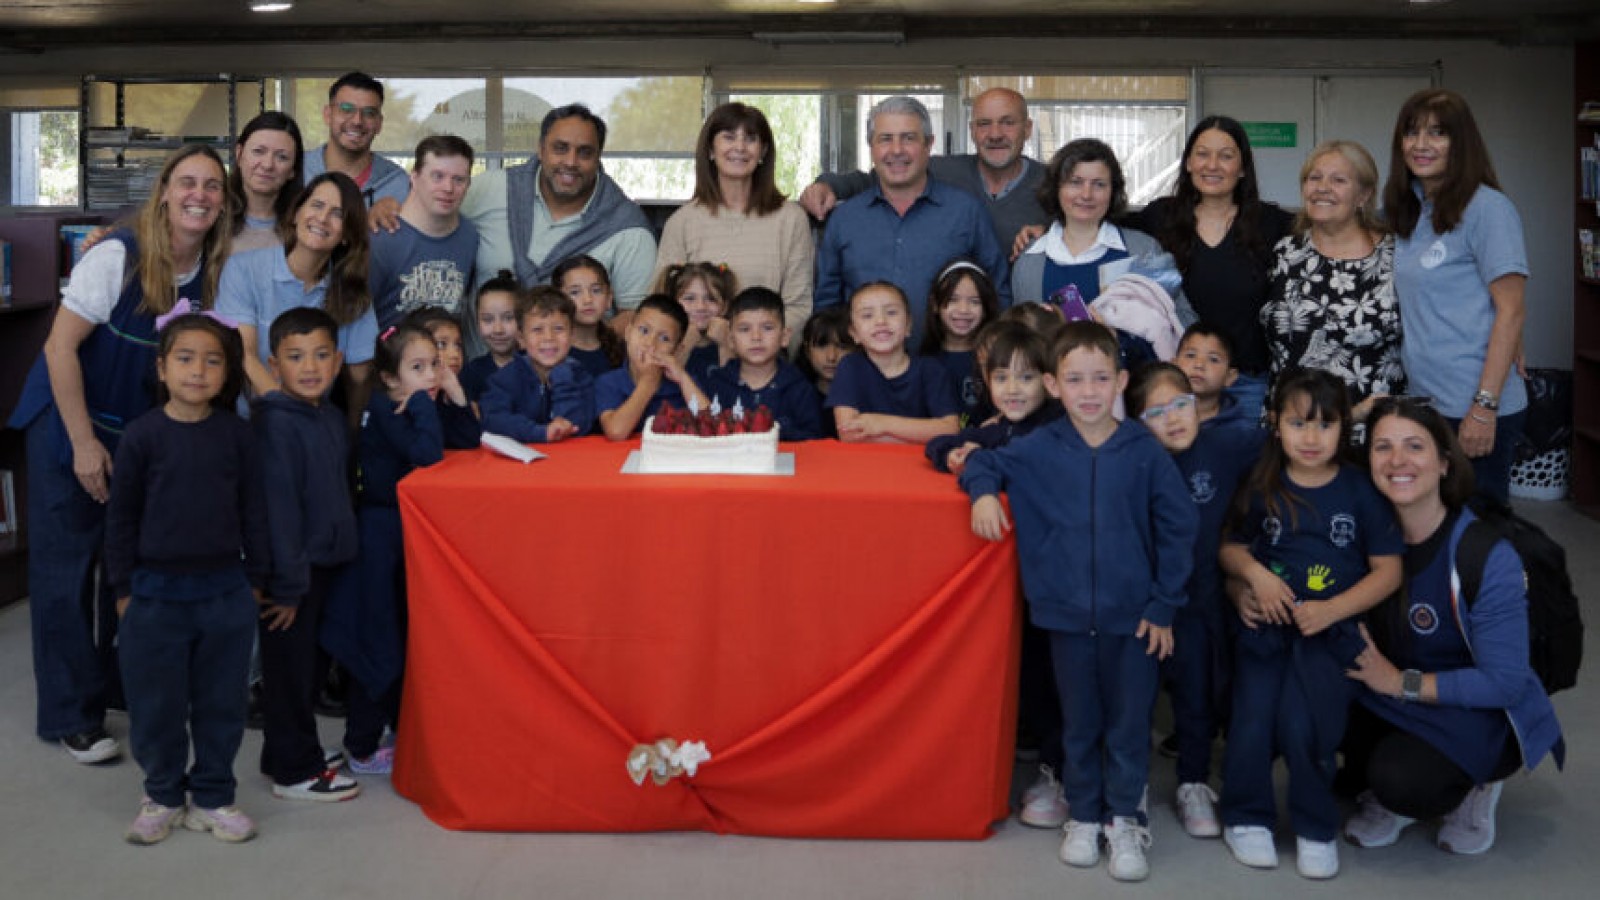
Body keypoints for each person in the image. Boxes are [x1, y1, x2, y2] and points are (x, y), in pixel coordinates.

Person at [8, 144, 232, 765]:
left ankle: (117, 686)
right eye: (188, 183)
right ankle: (70, 714)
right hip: (68, 421)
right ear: (164, 190)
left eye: (212, 187)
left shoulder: (211, 265)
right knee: (66, 572)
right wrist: (82, 445)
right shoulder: (116, 254)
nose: (200, 195)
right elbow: (59, 351)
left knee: (125, 562)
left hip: (133, 435)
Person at [961, 321, 1197, 883]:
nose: (1088, 391)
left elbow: (1179, 528)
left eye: (1099, 378)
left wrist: (1164, 603)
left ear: (1119, 381)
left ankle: (1125, 818)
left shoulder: (1143, 450)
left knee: (1128, 722)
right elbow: (980, 460)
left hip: (1135, 621)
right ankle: (1085, 815)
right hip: (1065, 618)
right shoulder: (1038, 447)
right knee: (1080, 722)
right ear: (1053, 384)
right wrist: (982, 493)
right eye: (1074, 380)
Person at [1343, 397, 1566, 855]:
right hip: (1392, 691)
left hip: (1478, 706)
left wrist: (1397, 682)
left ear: (1445, 462)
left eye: (1414, 447)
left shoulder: (1485, 554)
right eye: (1382, 447)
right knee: (1312, 724)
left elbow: (1504, 684)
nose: (1397, 461)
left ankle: (1478, 784)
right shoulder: (1364, 534)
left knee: (1398, 781)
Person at [1217, 368, 1403, 879]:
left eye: (1325, 425)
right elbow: (1230, 547)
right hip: (1264, 628)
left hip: (1332, 633)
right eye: (1299, 424)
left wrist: (1333, 610)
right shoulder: (1262, 480)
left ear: (1345, 428)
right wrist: (1253, 577)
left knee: (1308, 725)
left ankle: (1314, 825)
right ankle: (1246, 816)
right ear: (1276, 424)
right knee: (1253, 718)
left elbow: (1389, 570)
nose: (1312, 437)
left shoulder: (1362, 490)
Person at [106, 313, 268, 844]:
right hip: (153, 595)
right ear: (161, 367)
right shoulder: (140, 437)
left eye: (213, 360)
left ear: (227, 373)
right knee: (156, 705)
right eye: (185, 358)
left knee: (222, 703)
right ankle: (163, 794)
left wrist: (255, 579)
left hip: (224, 592)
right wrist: (124, 589)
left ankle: (215, 796)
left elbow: (255, 512)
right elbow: (121, 518)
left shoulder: (238, 437)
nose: (198, 371)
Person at [1125, 357, 1264, 840]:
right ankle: (1129, 786)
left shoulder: (1225, 444)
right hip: (1144, 608)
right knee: (1135, 699)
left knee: (1196, 697)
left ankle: (1193, 783)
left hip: (1201, 604)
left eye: (1181, 403)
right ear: (1137, 423)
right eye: (1157, 412)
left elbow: (1290, 439)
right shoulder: (1134, 462)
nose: (1175, 417)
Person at [1382, 89, 1529, 504]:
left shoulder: (1488, 209)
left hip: (1475, 405)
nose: (1421, 144)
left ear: (1461, 144)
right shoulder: (1409, 211)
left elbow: (1512, 308)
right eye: (1411, 133)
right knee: (1432, 526)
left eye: (1438, 133)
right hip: (1426, 401)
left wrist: (1484, 407)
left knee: (1476, 536)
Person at [322, 324, 446, 776]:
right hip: (377, 543)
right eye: (418, 368)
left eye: (436, 365)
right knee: (376, 642)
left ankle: (391, 730)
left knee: (397, 636)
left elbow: (466, 437)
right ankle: (361, 744)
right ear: (390, 378)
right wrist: (422, 405)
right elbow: (430, 453)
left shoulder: (397, 404)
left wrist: (442, 392)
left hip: (391, 538)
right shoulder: (390, 410)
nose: (431, 376)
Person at [252, 307, 361, 804]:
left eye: (320, 355)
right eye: (296, 357)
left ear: (338, 361)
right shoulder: (274, 425)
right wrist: (287, 586)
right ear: (274, 366)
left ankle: (284, 751)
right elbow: (279, 512)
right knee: (290, 677)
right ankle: (295, 771)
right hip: (291, 578)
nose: (310, 367)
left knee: (310, 670)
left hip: (325, 567)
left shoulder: (331, 417)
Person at [812, 95, 1012, 347]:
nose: (896, 150)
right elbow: (827, 306)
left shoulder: (965, 213)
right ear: (871, 147)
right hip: (863, 374)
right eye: (885, 139)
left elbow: (998, 294)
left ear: (929, 144)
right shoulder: (845, 219)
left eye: (908, 138)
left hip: (948, 375)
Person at [1135, 117, 1293, 423]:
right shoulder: (1160, 217)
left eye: (1226, 156)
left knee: (1245, 469)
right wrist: (1042, 230)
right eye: (1203, 154)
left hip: (1248, 384)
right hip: (1176, 385)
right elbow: (1097, 227)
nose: (1213, 165)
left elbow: (1332, 233)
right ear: (1189, 163)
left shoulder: (1273, 224)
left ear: (1243, 167)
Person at [803, 87, 1050, 252]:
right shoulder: (939, 170)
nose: (995, 134)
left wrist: (1052, 235)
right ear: (972, 130)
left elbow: (1084, 230)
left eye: (1007, 123)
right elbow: (872, 180)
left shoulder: (1053, 183)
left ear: (1027, 129)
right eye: (984, 124)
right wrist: (827, 186)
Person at [461, 104, 656, 310]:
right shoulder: (491, 189)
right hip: (479, 343)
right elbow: (431, 223)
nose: (571, 162)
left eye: (585, 153)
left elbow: (633, 319)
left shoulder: (629, 230)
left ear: (598, 157)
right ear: (541, 149)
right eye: (560, 148)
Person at [1262, 140, 1403, 416]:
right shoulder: (1284, 252)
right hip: (1294, 429)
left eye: (1338, 180)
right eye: (1314, 178)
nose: (1322, 187)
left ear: (1363, 195)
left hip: (1375, 431)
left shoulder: (1395, 256)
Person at [655, 102, 814, 339]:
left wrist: (749, 346)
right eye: (729, 137)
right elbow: (664, 306)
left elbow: (798, 306)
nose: (740, 147)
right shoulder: (681, 223)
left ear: (763, 152)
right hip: (696, 360)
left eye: (750, 139)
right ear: (710, 149)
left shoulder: (791, 219)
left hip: (766, 361)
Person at [218, 172, 378, 406]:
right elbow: (245, 356)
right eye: (317, 205)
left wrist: (352, 435)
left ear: (346, 235)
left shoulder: (351, 291)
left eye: (337, 214)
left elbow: (360, 377)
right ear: (295, 214)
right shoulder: (243, 269)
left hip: (316, 424)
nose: (323, 218)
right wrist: (292, 415)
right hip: (250, 423)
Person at [1012, 138, 1168, 311]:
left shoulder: (1144, 250)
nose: (1086, 195)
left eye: (1099, 184)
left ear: (1113, 192)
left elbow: (1179, 320)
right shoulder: (1030, 257)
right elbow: (1019, 332)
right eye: (1075, 182)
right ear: (1056, 188)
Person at [368, 135, 479, 333]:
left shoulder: (469, 236)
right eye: (437, 176)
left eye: (459, 179)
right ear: (414, 177)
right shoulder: (381, 237)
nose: (448, 188)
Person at [827, 282, 961, 445]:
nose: (881, 321)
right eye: (867, 315)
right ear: (854, 333)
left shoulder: (931, 369)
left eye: (891, 312)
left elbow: (950, 429)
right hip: (864, 464)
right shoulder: (850, 367)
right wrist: (920, 435)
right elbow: (848, 435)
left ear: (909, 325)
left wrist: (881, 424)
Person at [926, 320, 1059, 473]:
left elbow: (1029, 461)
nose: (1012, 389)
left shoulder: (1058, 424)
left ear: (1049, 382)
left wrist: (978, 457)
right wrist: (952, 455)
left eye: (1026, 378)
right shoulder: (998, 427)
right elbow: (938, 443)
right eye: (1001, 378)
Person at [703, 288, 826, 441]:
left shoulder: (800, 388)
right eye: (744, 329)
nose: (756, 337)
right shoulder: (716, 383)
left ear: (784, 337)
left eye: (767, 328)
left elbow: (814, 441)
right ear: (731, 340)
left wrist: (773, 430)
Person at [481, 286, 597, 443]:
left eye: (558, 328)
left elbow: (579, 426)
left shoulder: (581, 376)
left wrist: (562, 379)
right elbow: (493, 420)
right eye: (537, 329)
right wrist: (540, 433)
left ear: (572, 336)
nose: (549, 337)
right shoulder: (503, 380)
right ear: (521, 339)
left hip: (569, 459)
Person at [596, 294, 710, 439]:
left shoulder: (685, 383)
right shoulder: (609, 382)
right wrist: (648, 382)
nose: (650, 343)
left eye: (664, 338)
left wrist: (682, 378)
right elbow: (617, 432)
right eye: (644, 330)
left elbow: (711, 425)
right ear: (628, 332)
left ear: (677, 350)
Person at [302, 72, 409, 215]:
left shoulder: (399, 185)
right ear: (328, 115)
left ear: (379, 123)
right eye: (346, 109)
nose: (357, 121)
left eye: (369, 113)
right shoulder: (296, 171)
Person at [920, 259, 1001, 428]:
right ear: (935, 304)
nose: (963, 310)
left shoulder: (996, 358)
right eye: (953, 299)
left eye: (975, 301)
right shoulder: (922, 361)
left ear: (986, 307)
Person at [404, 306, 480, 450]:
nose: (454, 354)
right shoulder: (406, 397)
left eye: (458, 345)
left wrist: (457, 396)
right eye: (441, 344)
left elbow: (470, 441)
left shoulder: (448, 391)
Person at [229, 111, 305, 253]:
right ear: (239, 154)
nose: (267, 165)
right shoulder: (214, 216)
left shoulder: (303, 228)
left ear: (293, 169)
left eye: (282, 157)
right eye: (258, 151)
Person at [658, 261, 738, 382]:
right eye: (689, 298)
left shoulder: (737, 344)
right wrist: (685, 346)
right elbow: (662, 386)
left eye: (711, 299)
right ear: (673, 303)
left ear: (724, 307)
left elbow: (733, 392)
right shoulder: (662, 341)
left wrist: (725, 345)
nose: (700, 307)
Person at [553, 255, 627, 382]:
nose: (588, 300)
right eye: (575, 292)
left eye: (596, 290)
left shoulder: (623, 350)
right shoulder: (550, 351)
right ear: (558, 301)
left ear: (609, 298)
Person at [460, 272, 522, 405]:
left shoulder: (537, 366)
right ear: (477, 322)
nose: (498, 330)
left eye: (508, 318)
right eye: (487, 320)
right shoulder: (471, 373)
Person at [795, 306, 853, 401]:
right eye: (821, 346)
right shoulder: (794, 396)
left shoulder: (870, 396)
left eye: (842, 347)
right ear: (807, 350)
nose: (831, 357)